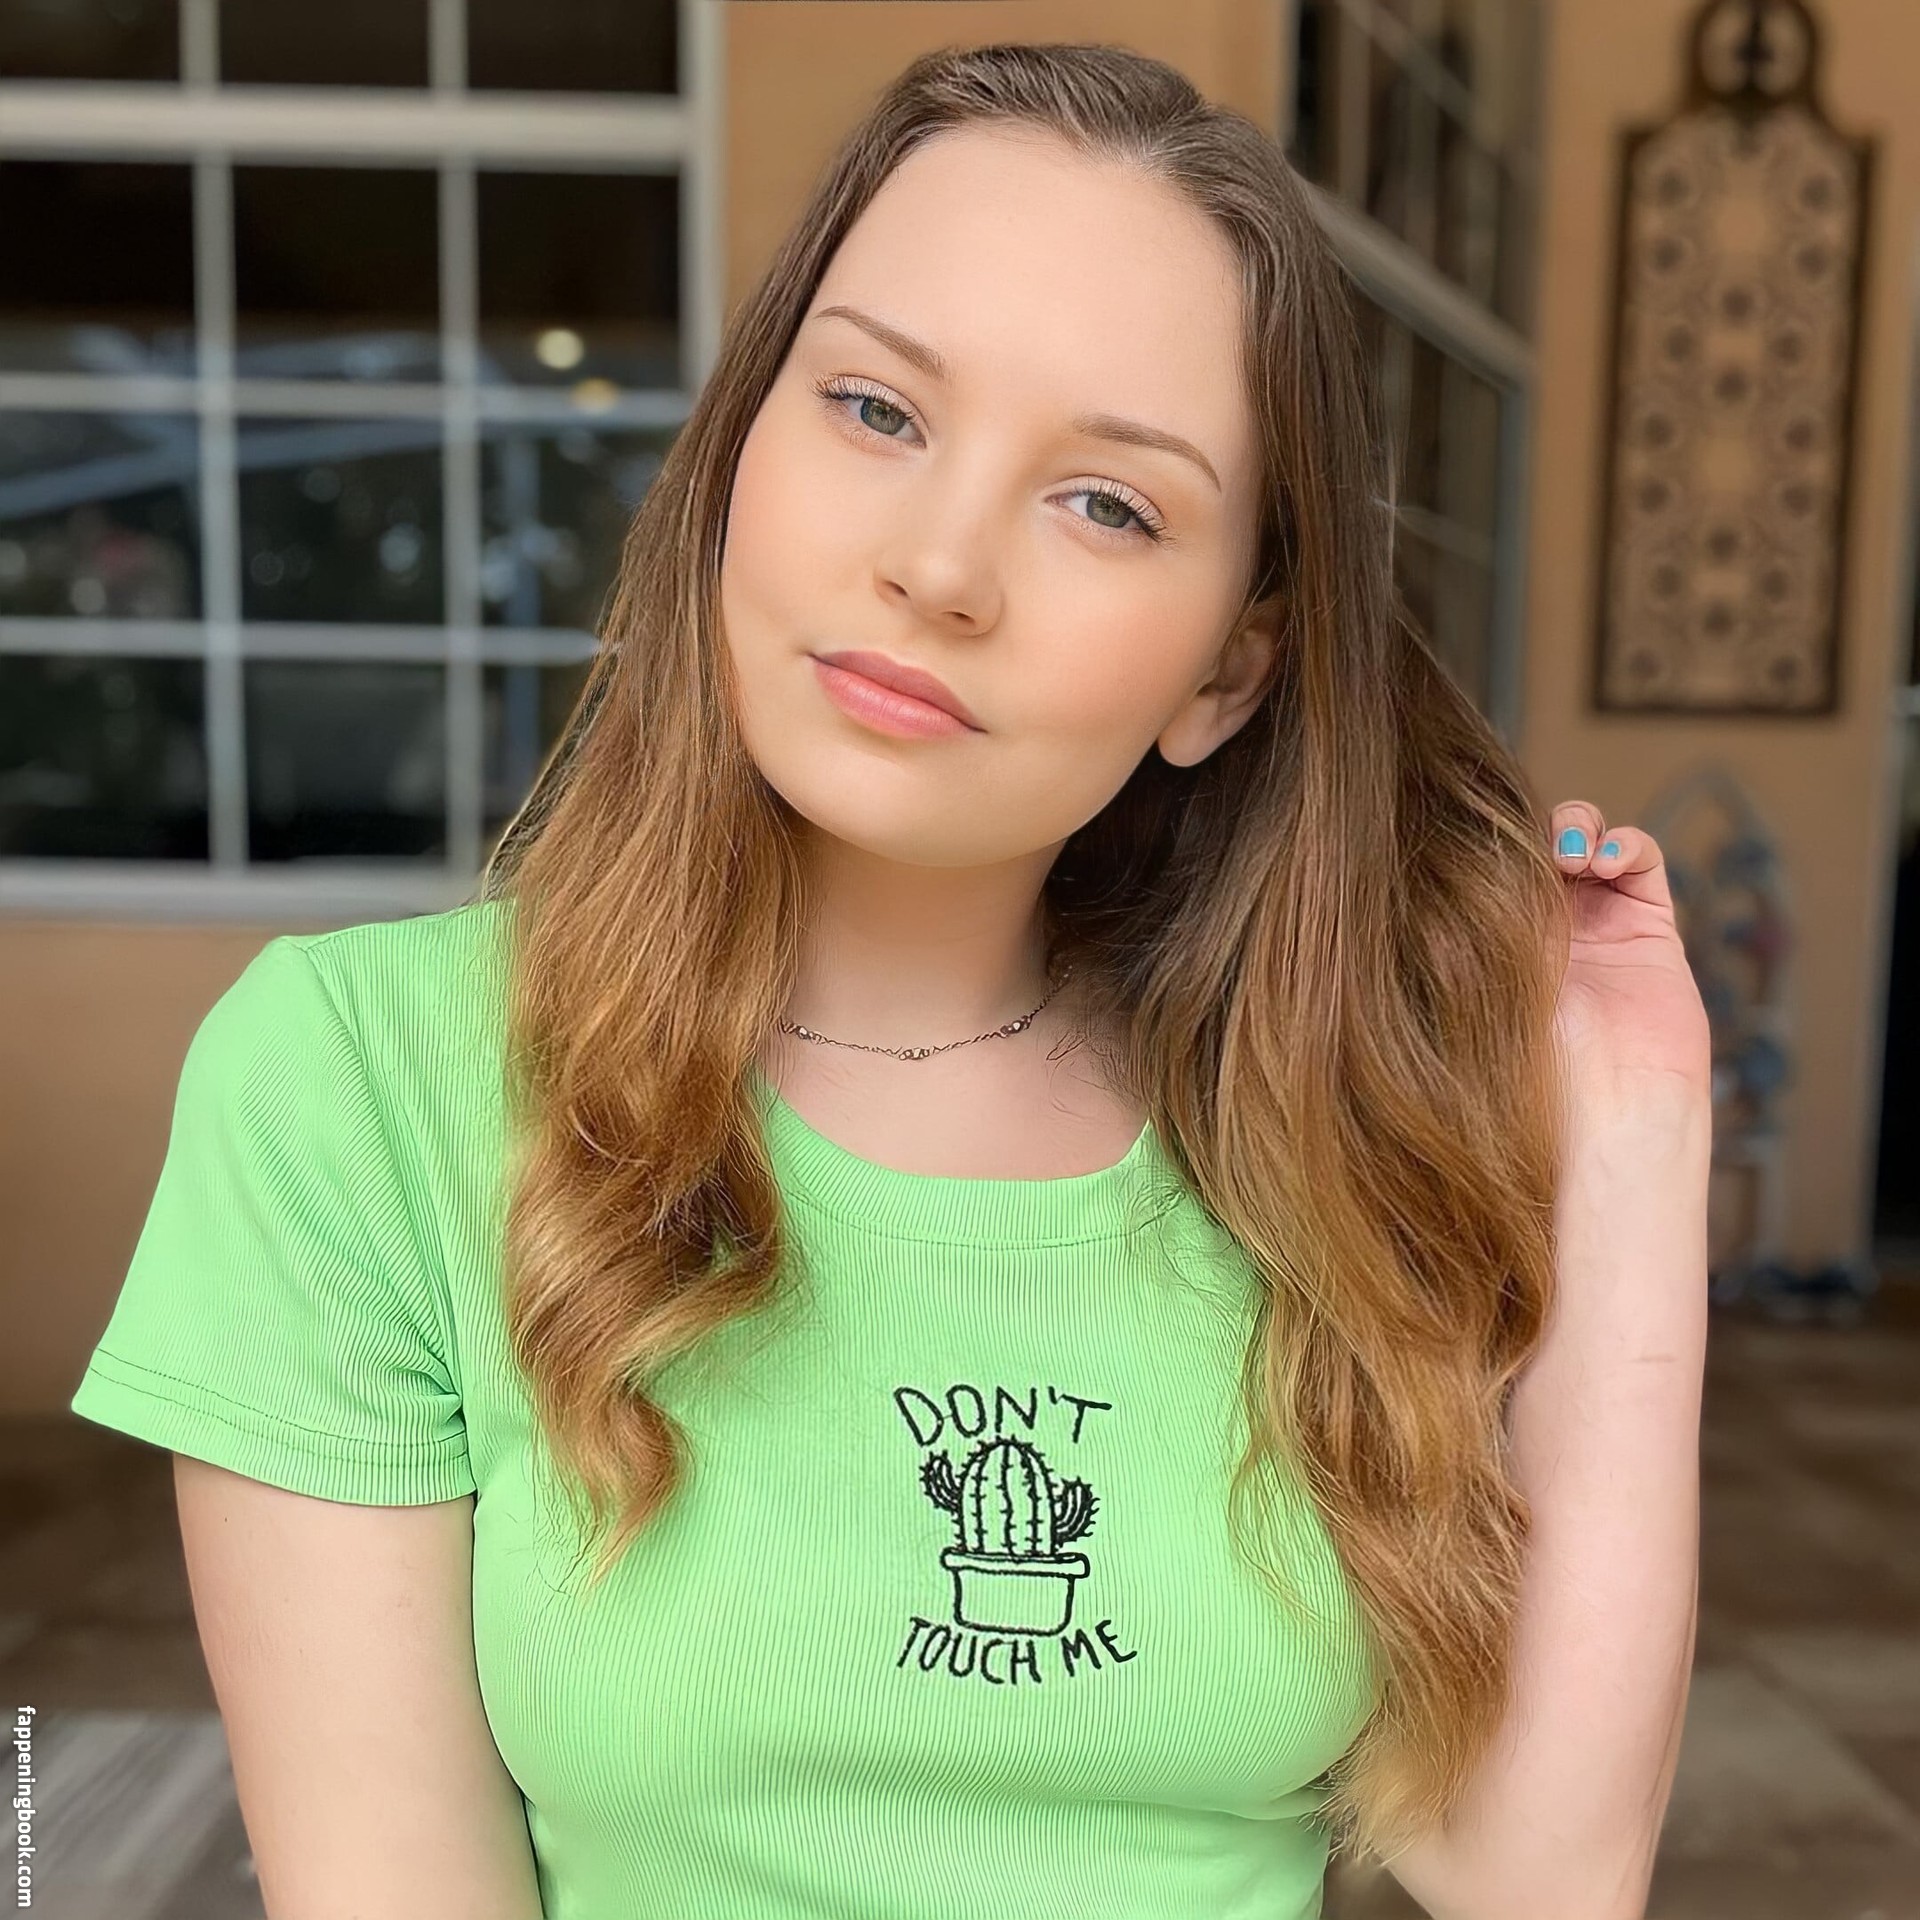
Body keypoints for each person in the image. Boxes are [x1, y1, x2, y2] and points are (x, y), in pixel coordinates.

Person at [70, 40, 1712, 1920]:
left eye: (1109, 504)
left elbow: (1540, 1877)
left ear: (1226, 674)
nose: (939, 567)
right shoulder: (365, 1082)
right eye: (873, 407)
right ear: (735, 451)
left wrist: (1637, 1136)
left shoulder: (1311, 1140)